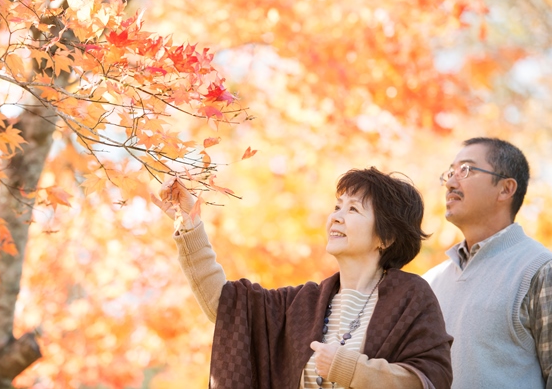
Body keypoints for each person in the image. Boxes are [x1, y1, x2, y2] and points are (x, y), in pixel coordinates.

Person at [153, 167, 452, 389]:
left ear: (385, 237)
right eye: (337, 207)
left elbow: (429, 380)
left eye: (353, 209)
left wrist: (351, 369)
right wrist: (189, 223)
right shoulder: (302, 303)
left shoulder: (412, 296)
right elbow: (227, 306)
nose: (336, 217)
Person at [423, 137, 552, 389]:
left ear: (505, 189)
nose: (450, 183)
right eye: (450, 172)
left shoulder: (540, 269)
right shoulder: (430, 282)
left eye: (466, 170)